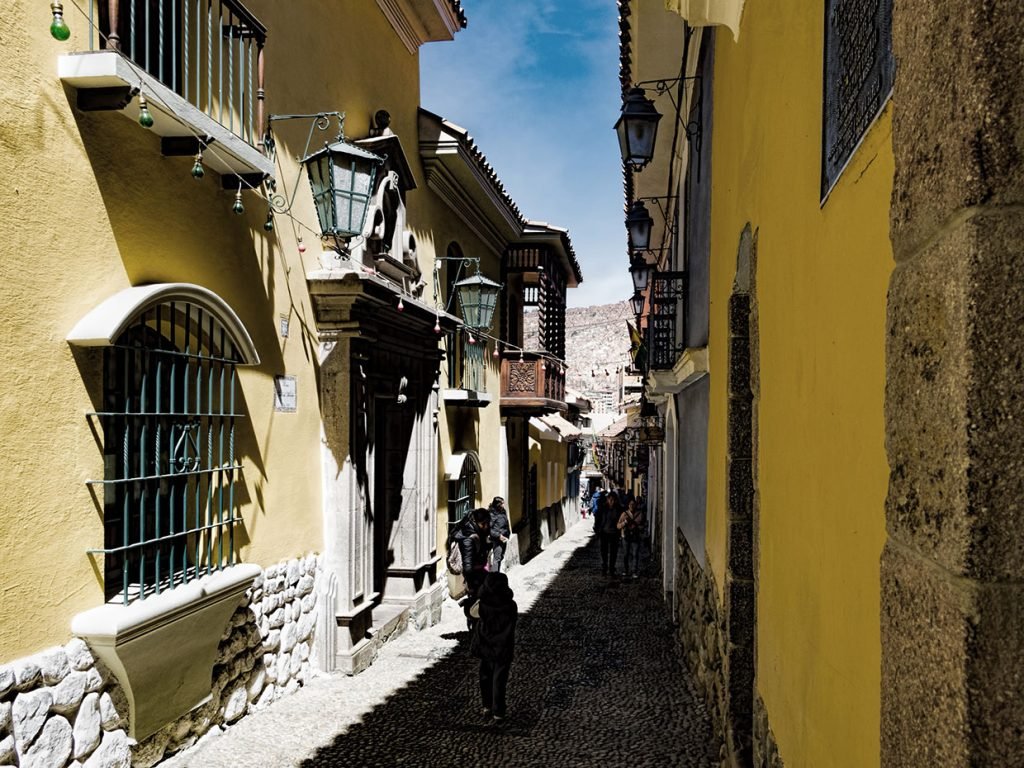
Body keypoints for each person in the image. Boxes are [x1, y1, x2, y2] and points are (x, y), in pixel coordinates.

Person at [470, 572, 518, 722]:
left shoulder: (483, 604)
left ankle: (487, 706)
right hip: (503, 646)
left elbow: (472, 614)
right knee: (500, 679)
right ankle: (498, 711)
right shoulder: (510, 605)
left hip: (486, 644)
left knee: (485, 676)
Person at [451, 507, 492, 626]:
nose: (488, 526)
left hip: (480, 571)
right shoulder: (468, 539)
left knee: (482, 599)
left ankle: (478, 622)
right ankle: (474, 622)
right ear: (481, 523)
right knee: (476, 602)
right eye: (486, 524)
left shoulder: (477, 530)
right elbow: (468, 566)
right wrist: (471, 584)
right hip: (475, 576)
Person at [594, 490, 621, 576]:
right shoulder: (602, 508)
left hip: (614, 534)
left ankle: (612, 568)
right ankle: (604, 568)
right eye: (610, 499)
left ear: (615, 500)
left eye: (613, 499)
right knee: (604, 552)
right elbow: (597, 520)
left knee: (614, 552)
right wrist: (597, 530)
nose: (611, 501)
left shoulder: (619, 509)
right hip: (604, 533)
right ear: (607, 499)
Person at [618, 497, 645, 578]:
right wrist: (625, 523)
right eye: (630, 504)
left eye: (633, 504)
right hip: (626, 537)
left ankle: (634, 571)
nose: (632, 506)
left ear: (636, 505)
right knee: (626, 554)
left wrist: (637, 527)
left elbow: (644, 526)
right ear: (628, 505)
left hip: (635, 537)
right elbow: (618, 526)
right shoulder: (624, 514)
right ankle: (626, 570)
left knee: (635, 554)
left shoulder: (640, 514)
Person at [488, 496, 511, 573]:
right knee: (497, 558)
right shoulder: (492, 514)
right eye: (502, 504)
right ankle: (494, 577)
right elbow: (489, 529)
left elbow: (506, 522)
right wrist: (498, 536)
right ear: (497, 504)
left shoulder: (503, 511)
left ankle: (497, 574)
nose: (503, 506)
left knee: (501, 557)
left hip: (504, 538)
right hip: (497, 539)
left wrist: (508, 533)